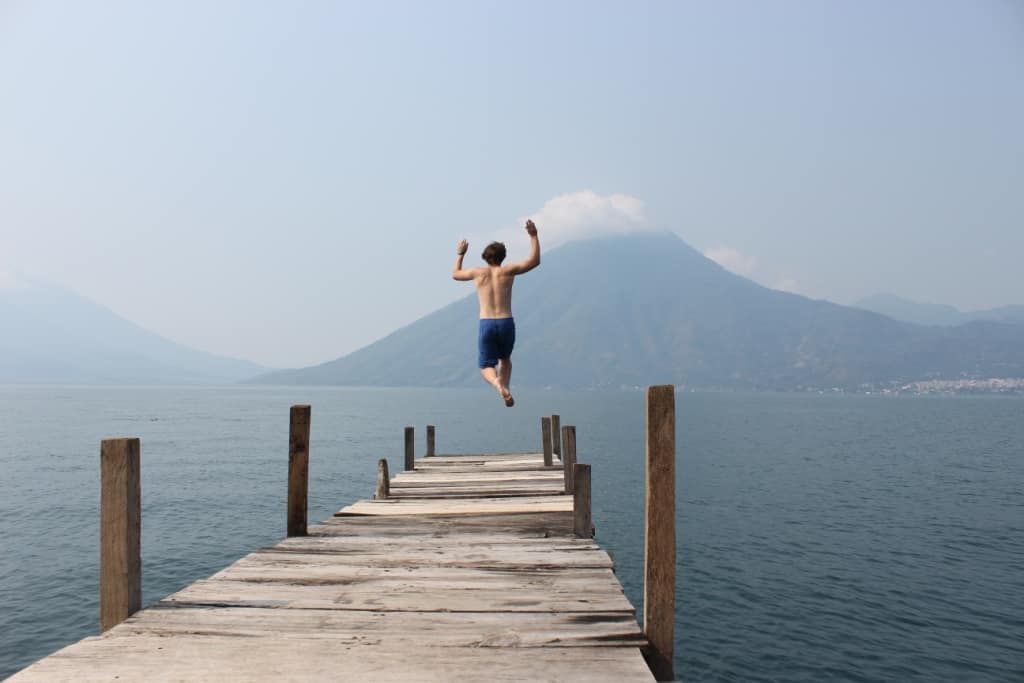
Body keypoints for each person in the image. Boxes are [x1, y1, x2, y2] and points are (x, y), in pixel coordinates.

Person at [452, 220, 541, 407]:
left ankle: (497, 384)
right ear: (503, 257)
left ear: (486, 257)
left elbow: (456, 274)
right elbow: (534, 261)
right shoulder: (508, 271)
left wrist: (461, 253)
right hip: (506, 321)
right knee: (505, 360)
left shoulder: (478, 273)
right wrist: (533, 236)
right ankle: (505, 385)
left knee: (485, 366)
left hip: (486, 322)